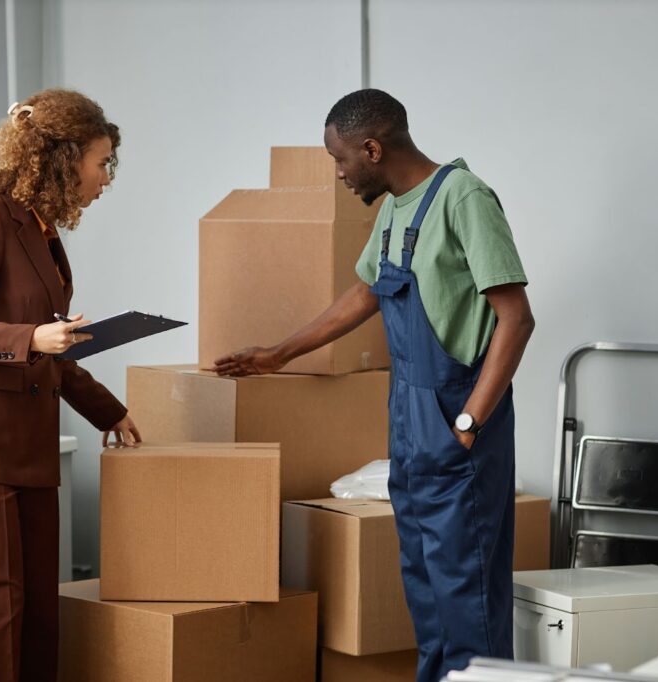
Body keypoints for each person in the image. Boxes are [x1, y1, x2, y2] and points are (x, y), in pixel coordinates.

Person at [214, 89, 534, 681]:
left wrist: (467, 425)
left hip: (454, 418)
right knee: (427, 592)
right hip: (411, 424)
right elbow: (364, 293)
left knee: (468, 594)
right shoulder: (392, 208)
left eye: (340, 160)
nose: (338, 173)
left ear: (372, 148)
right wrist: (278, 354)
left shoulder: (464, 198)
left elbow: (516, 318)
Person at [0, 88, 141, 681]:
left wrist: (110, 413)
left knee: (40, 615)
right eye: (103, 162)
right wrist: (31, 339)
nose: (106, 177)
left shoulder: (45, 237)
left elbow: (53, 349)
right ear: (63, 160)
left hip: (32, 457)